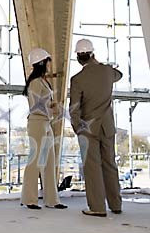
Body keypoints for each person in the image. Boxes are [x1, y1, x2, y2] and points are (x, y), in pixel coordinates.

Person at [69, 38, 122, 217]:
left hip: (88, 129)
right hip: (107, 126)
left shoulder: (77, 79)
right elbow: (119, 75)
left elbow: (74, 108)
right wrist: (101, 65)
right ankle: (116, 204)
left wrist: (78, 128)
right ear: (93, 53)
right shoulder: (108, 72)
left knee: (92, 168)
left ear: (78, 57)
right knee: (110, 164)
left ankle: (98, 207)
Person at [20, 48, 68, 210]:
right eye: (48, 61)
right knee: (35, 161)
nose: (49, 64)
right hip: (37, 123)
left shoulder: (41, 81)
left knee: (49, 161)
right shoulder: (35, 83)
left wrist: (52, 106)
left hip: (45, 123)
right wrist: (52, 107)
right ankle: (29, 199)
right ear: (41, 62)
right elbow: (36, 106)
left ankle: (52, 200)